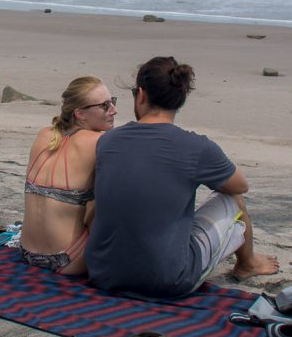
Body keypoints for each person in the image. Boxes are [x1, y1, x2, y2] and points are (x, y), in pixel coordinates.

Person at [86, 56, 279, 298]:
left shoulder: (108, 141)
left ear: (141, 95)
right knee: (234, 200)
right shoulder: (197, 147)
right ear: (180, 100)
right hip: (168, 281)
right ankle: (248, 263)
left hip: (102, 273)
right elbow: (240, 185)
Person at [20, 76, 118, 275]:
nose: (113, 110)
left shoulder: (45, 135)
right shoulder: (100, 141)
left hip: (26, 252)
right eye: (105, 105)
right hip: (70, 259)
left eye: (113, 101)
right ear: (80, 113)